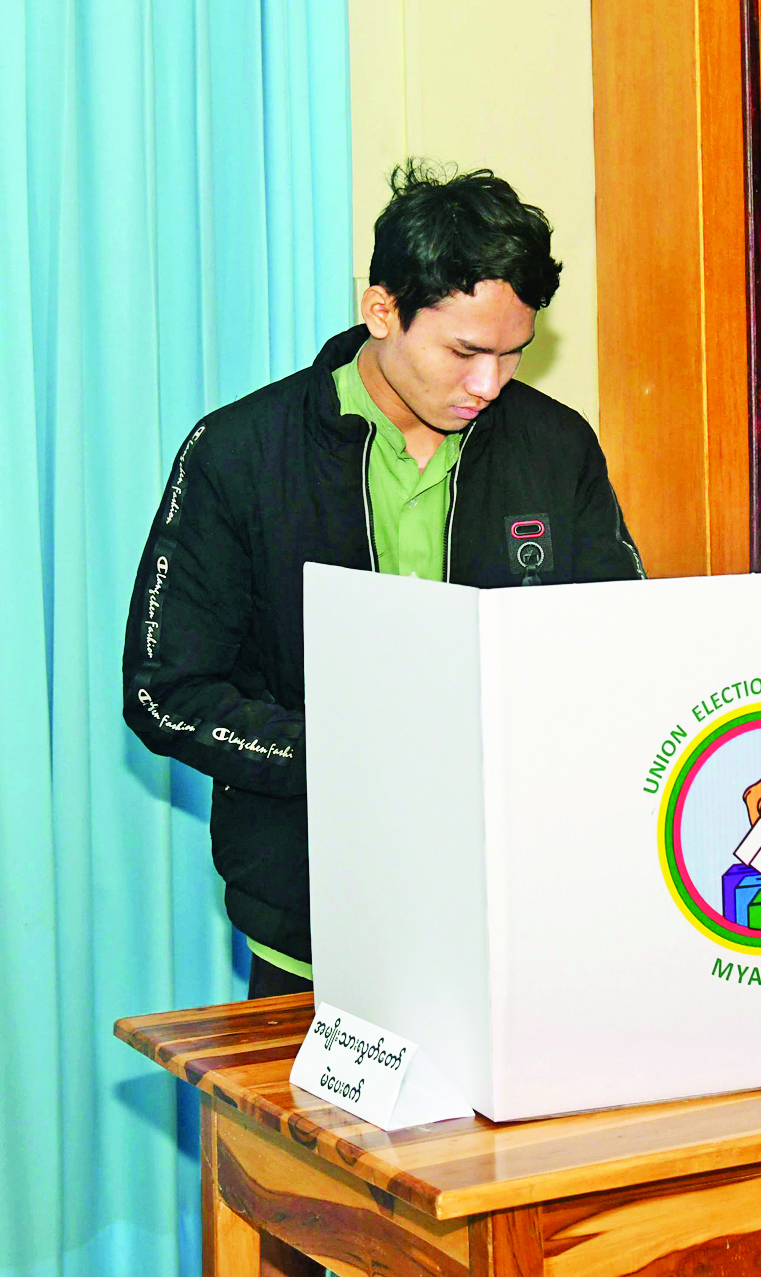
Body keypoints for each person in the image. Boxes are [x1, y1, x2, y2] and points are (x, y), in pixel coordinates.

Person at [123, 160, 645, 1002]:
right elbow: (164, 692)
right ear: (381, 311)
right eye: (464, 351)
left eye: (513, 353)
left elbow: (621, 654)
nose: (488, 385)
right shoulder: (239, 452)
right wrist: (347, 756)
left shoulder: (556, 446)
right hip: (309, 932)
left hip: (516, 922)